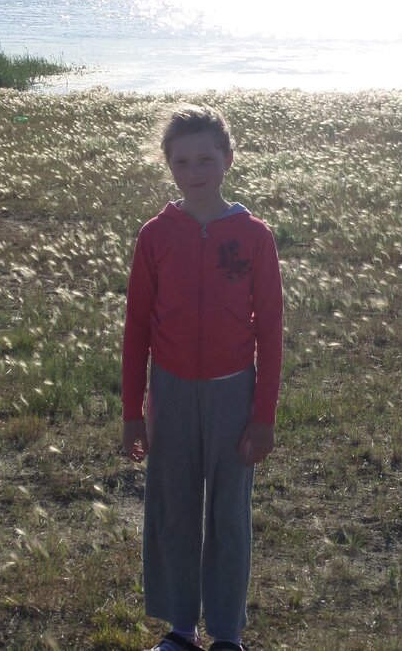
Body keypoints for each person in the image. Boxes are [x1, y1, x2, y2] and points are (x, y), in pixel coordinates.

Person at [122, 104, 284, 651]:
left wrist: (263, 418)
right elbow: (136, 328)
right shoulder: (155, 235)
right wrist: (131, 415)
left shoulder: (254, 236)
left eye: (206, 158)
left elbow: (272, 333)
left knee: (229, 517)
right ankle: (180, 628)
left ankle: (228, 632)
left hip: (233, 394)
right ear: (169, 166)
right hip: (168, 392)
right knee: (174, 509)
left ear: (228, 160)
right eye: (184, 160)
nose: (196, 170)